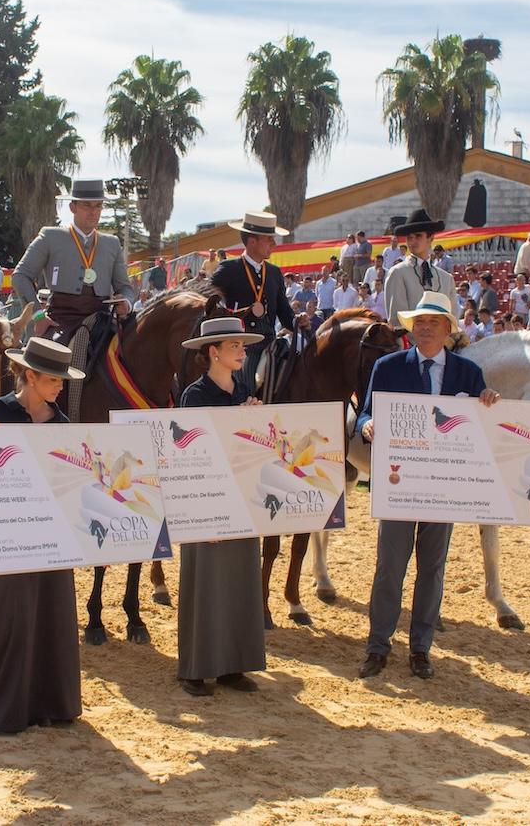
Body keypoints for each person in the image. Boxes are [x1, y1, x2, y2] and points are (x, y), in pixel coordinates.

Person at [356, 291, 499, 680]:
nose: (424, 328)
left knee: (432, 569)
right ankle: (377, 645)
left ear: (449, 329)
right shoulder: (387, 366)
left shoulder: (468, 374)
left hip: (445, 487)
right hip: (399, 482)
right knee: (390, 567)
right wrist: (366, 425)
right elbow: (366, 410)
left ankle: (421, 648)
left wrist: (488, 399)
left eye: (433, 322)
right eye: (419, 322)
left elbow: (485, 421)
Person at [0, 337, 86, 733]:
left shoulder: (63, 424)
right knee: (12, 617)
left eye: (63, 379)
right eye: (54, 378)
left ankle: (54, 704)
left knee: (54, 613)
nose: (60, 386)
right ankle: (3, 709)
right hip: (7, 537)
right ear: (30, 376)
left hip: (53, 535)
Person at [175, 317, 268, 696]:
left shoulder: (244, 391)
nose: (242, 353)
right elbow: (191, 458)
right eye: (235, 346)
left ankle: (232, 667)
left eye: (242, 347)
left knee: (241, 579)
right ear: (213, 352)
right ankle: (195, 670)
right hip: (206, 501)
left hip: (241, 500)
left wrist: (255, 420)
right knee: (204, 583)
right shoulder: (194, 397)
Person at [14, 178, 134, 340]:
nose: (93, 211)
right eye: (87, 205)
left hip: (102, 321)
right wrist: (38, 316)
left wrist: (126, 302)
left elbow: (125, 287)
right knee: (42, 360)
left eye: (98, 205)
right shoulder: (50, 236)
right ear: (73, 207)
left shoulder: (112, 243)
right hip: (60, 319)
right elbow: (20, 275)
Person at [209, 211, 305, 392]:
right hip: (242, 344)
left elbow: (285, 313)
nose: (274, 244)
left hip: (270, 341)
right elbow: (209, 304)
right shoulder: (229, 269)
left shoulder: (275, 273)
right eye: (270, 239)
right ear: (253, 241)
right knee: (246, 383)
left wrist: (297, 322)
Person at [384, 209, 455, 331]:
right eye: (409, 237)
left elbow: (453, 319)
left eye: (418, 236)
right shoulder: (397, 273)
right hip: (412, 347)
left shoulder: (446, 278)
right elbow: (397, 320)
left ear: (431, 238)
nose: (413, 241)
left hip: (442, 346)